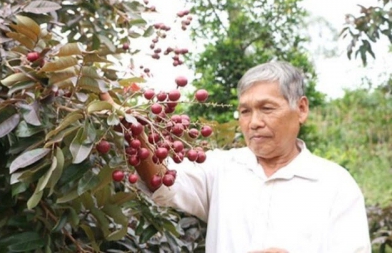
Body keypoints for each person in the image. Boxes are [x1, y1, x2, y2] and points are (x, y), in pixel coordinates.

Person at [136, 61, 371, 253]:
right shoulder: (220, 168)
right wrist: (129, 126)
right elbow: (161, 182)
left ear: (301, 109)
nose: (254, 123)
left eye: (267, 109)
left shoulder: (335, 184)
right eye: (245, 111)